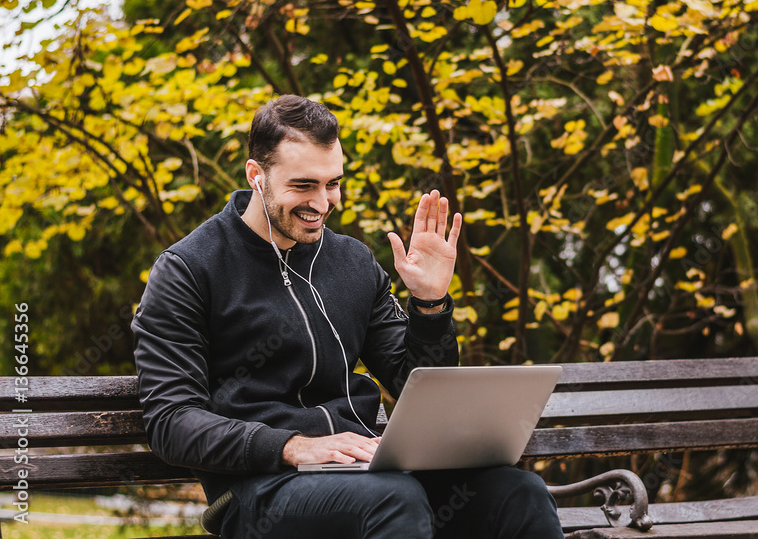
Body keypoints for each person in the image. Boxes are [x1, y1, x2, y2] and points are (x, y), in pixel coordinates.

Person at [132, 95, 562, 538]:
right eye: (303, 186)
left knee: (519, 492)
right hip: (258, 491)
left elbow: (414, 380)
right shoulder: (189, 269)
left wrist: (430, 305)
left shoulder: (352, 262)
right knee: (395, 499)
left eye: (332, 184)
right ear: (256, 176)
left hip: (368, 473)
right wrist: (295, 447)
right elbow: (172, 422)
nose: (322, 203)